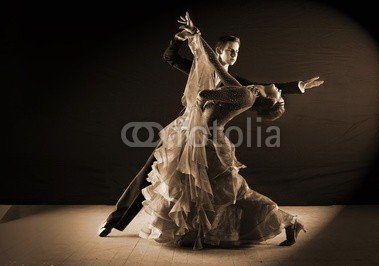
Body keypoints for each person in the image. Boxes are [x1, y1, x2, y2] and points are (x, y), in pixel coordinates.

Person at [98, 12, 323, 239]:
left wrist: (297, 86)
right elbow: (170, 58)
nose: (235, 55)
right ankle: (114, 222)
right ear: (219, 51)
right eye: (231, 51)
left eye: (237, 52)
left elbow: (265, 91)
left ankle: (195, 230)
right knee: (151, 173)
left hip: (204, 138)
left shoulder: (239, 86)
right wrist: (179, 40)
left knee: (211, 189)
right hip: (182, 131)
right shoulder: (201, 67)